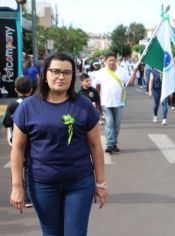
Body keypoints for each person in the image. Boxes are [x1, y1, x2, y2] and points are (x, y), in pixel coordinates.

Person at [9, 52, 108, 235]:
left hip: (79, 182)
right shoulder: (28, 106)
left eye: (67, 72)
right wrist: (17, 186)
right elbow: (18, 148)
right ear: (45, 74)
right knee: (51, 233)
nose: (61, 76)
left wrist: (101, 184)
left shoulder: (84, 105)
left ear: (73, 76)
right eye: (55, 71)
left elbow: (95, 145)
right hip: (42, 183)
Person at [3, 76, 33, 208]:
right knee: (29, 166)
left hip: (17, 140)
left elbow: (7, 122)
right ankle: (29, 196)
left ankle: (21, 193)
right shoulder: (35, 103)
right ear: (31, 89)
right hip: (33, 140)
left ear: (16, 89)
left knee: (17, 166)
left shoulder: (13, 105)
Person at [96, 52, 132, 154]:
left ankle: (114, 143)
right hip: (105, 102)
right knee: (110, 122)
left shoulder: (122, 70)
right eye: (109, 60)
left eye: (113, 60)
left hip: (119, 102)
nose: (112, 62)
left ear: (116, 60)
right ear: (106, 61)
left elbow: (130, 83)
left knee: (117, 124)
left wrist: (134, 73)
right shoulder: (101, 72)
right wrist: (97, 101)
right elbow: (97, 86)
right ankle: (109, 144)